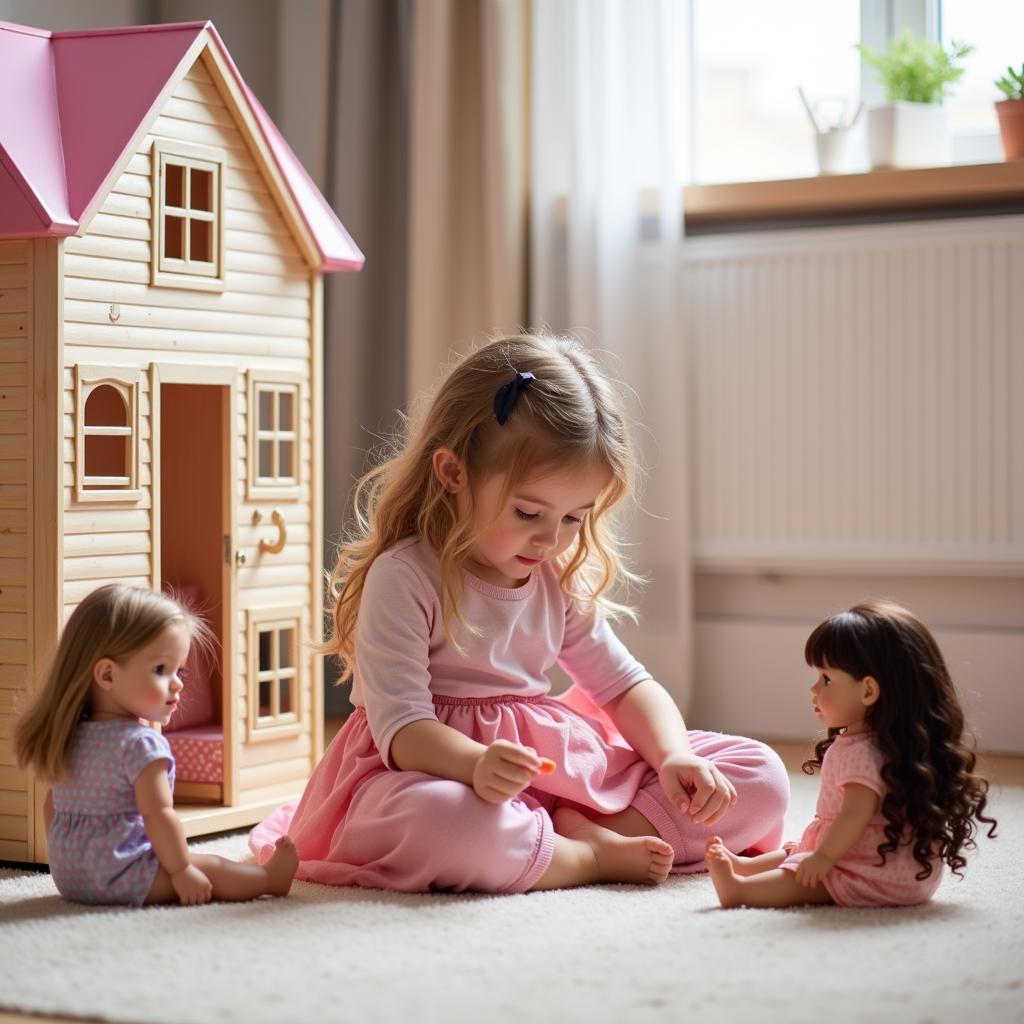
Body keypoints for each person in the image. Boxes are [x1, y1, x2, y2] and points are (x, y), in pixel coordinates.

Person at [250, 332, 789, 892]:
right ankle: (585, 856)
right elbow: (403, 729)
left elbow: (625, 685)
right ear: (453, 473)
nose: (551, 540)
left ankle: (551, 840)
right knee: (446, 823)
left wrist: (675, 756)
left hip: (547, 774)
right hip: (429, 770)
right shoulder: (405, 576)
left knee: (760, 774)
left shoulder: (554, 576)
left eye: (574, 518)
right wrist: (476, 767)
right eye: (529, 512)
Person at [14, 584, 299, 906]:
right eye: (161, 670)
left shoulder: (68, 734)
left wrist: (65, 860)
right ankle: (269, 880)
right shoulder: (140, 745)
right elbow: (158, 814)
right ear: (107, 675)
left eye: (180, 670)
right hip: (122, 874)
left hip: (70, 878)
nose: (177, 683)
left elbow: (52, 806)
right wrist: (180, 871)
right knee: (211, 868)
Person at [705, 599, 998, 908]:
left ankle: (741, 891)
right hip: (882, 861)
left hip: (875, 872)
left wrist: (824, 857)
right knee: (799, 850)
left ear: (868, 691)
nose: (813, 689)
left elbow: (855, 813)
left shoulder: (864, 753)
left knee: (806, 878)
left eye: (826, 679)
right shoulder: (872, 744)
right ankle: (746, 867)